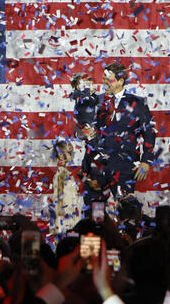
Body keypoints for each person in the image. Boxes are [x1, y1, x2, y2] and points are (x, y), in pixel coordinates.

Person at [79, 64, 157, 212]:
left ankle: (127, 235)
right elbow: (85, 133)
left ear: (121, 81)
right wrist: (87, 169)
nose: (104, 82)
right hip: (98, 169)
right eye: (103, 79)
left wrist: (146, 161)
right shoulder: (96, 102)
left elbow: (149, 132)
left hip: (124, 167)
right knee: (95, 214)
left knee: (126, 212)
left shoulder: (137, 103)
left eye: (108, 79)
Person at [50, 139, 81, 234]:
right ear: (60, 155)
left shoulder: (65, 171)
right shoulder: (61, 173)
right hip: (65, 211)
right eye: (68, 152)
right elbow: (59, 190)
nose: (70, 155)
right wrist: (60, 208)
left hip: (71, 209)